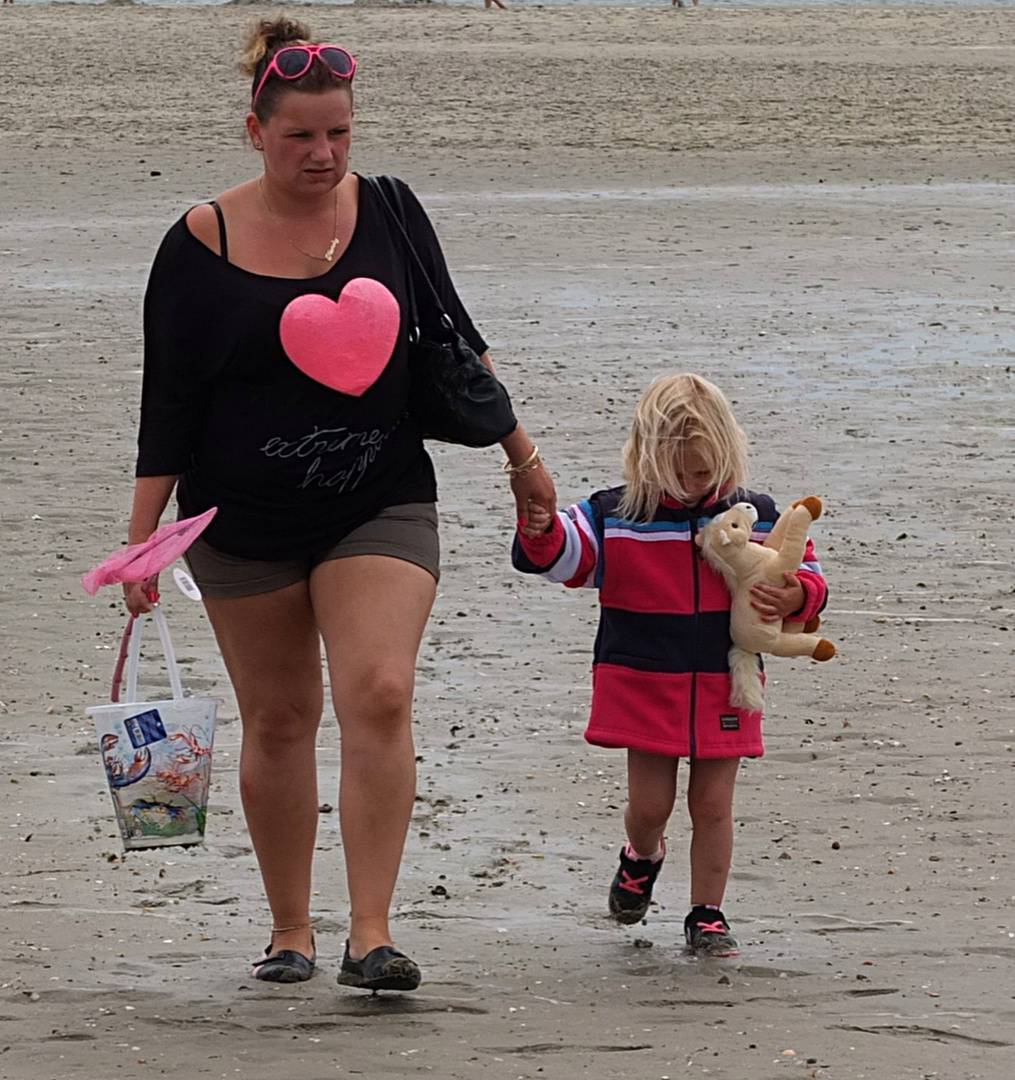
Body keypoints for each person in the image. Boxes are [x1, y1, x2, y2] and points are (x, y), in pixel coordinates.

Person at [122, 16, 557, 992]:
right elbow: (169, 402)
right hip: (240, 522)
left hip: (380, 498)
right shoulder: (198, 244)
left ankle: (371, 933)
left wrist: (523, 459)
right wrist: (139, 541)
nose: (323, 155)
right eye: (300, 138)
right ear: (254, 133)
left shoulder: (392, 211)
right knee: (279, 720)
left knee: (381, 692)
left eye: (340, 134)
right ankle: (290, 931)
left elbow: (457, 343)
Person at [512, 373, 827, 957]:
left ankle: (707, 912)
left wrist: (798, 598)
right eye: (677, 473)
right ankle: (642, 856)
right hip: (643, 679)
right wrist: (539, 530)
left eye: (703, 473)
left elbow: (801, 568)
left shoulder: (752, 515)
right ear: (646, 458)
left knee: (713, 805)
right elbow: (565, 558)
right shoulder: (616, 514)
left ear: (727, 456)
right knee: (650, 805)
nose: (689, 486)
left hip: (725, 682)